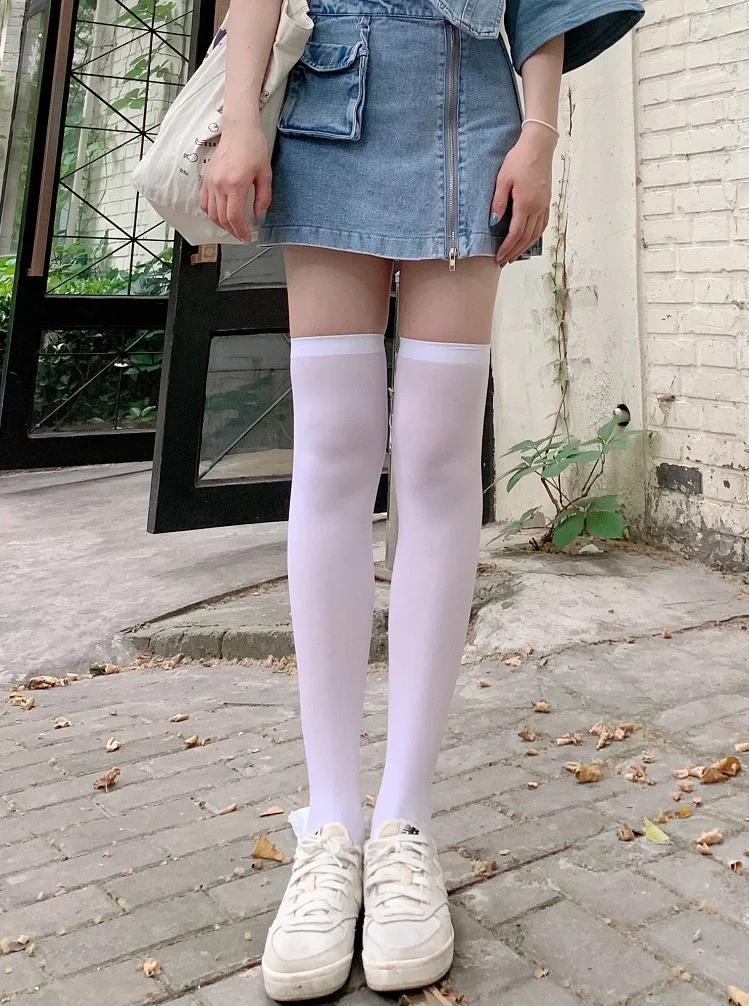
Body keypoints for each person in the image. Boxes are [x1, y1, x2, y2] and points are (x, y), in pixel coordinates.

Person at [201, 0, 644, 998]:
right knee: (333, 452)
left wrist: (539, 133)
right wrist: (238, 119)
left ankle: (402, 821)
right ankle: (329, 825)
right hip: (330, 111)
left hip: (470, 121)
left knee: (440, 461)